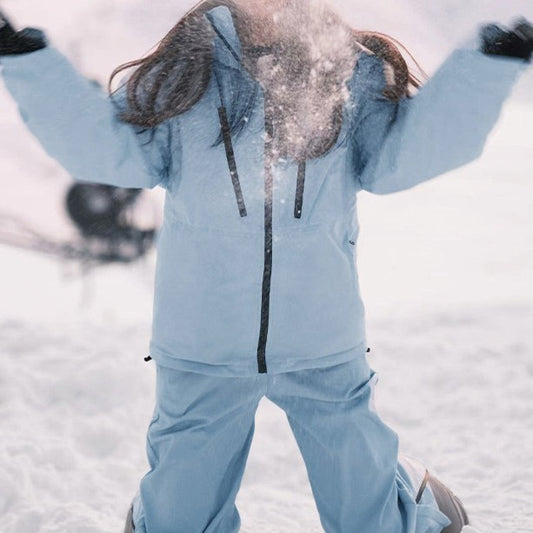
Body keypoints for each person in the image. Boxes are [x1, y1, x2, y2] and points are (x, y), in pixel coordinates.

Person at [1, 2, 531, 532]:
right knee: (181, 509)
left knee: (363, 502)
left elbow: (403, 156)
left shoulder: (347, 68)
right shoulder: (186, 71)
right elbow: (106, 148)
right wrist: (27, 61)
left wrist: (487, 68)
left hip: (319, 328)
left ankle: (410, 504)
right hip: (203, 334)